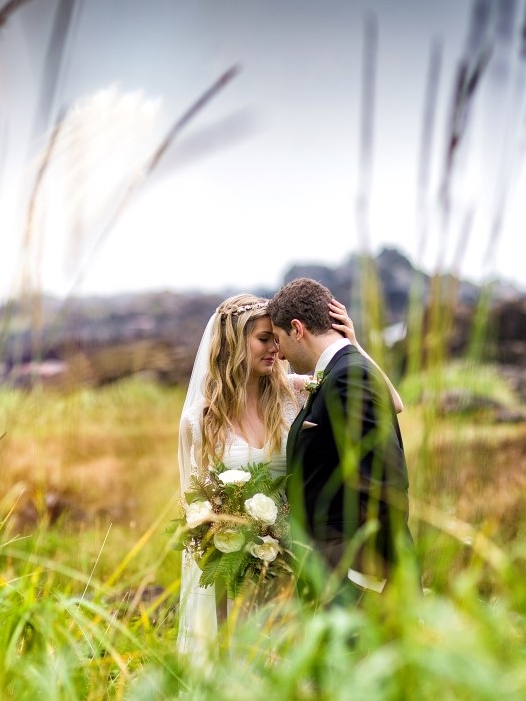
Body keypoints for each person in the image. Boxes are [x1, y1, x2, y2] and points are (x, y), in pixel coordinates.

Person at [176, 292, 399, 657]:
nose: (275, 350)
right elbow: (197, 505)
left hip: (296, 560)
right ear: (234, 342)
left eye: (276, 340)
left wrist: (353, 347)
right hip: (234, 568)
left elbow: (391, 404)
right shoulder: (201, 420)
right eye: (264, 339)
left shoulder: (293, 392)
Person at [267, 278, 414, 607]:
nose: (278, 352)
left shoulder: (348, 375)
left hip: (361, 581)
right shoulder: (338, 371)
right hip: (334, 574)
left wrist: (368, 575)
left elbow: (385, 482)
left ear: (297, 329)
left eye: (278, 340)